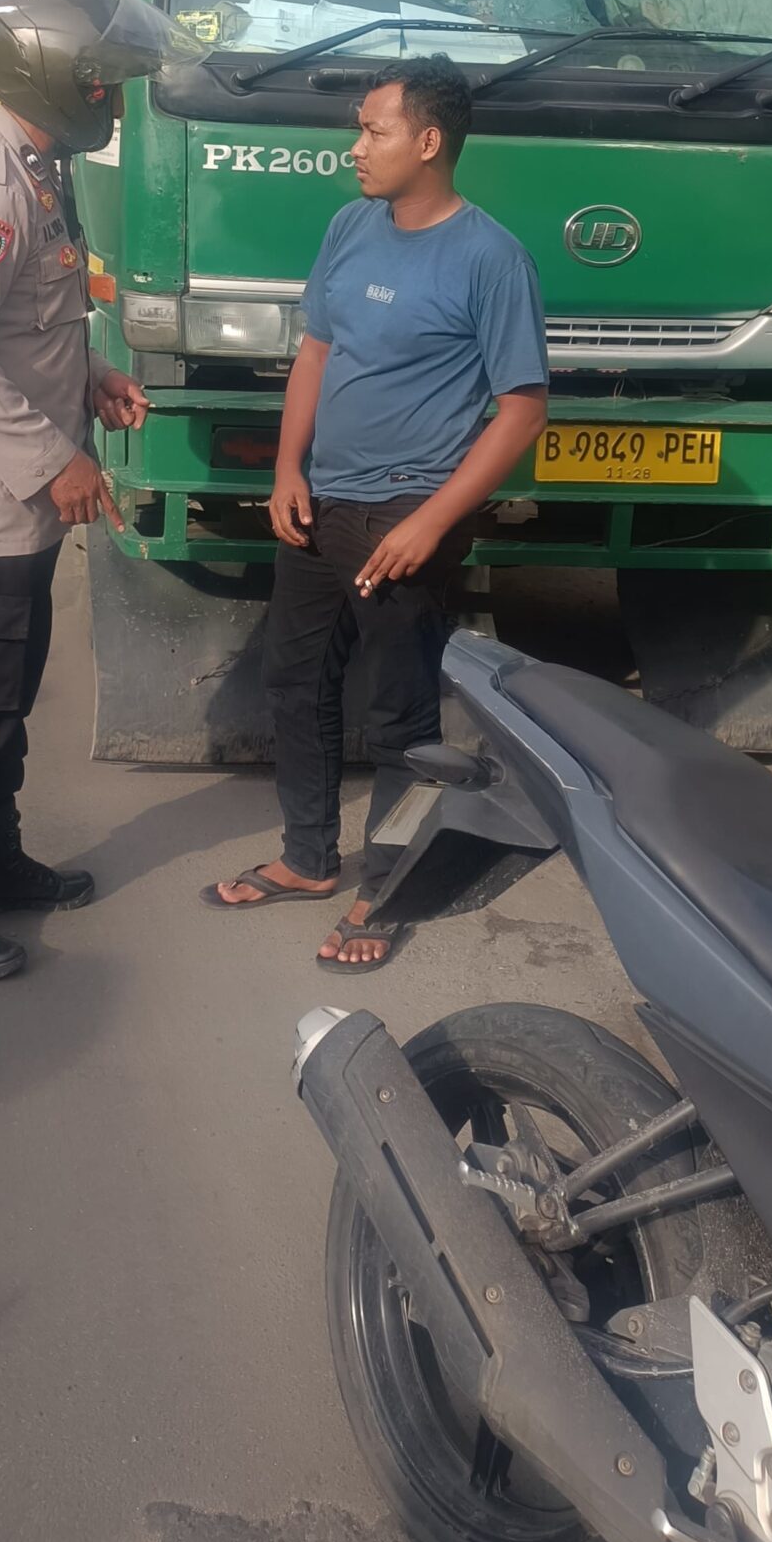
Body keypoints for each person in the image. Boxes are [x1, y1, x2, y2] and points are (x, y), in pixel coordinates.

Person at [205, 57, 549, 971]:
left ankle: (386, 887)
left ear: (428, 142)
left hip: (406, 513)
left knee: (401, 714)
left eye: (374, 131)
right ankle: (309, 858)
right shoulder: (351, 226)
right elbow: (316, 351)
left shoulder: (489, 257)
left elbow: (521, 409)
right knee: (296, 683)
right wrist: (286, 469)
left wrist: (433, 522)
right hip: (319, 507)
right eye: (358, 129)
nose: (354, 149)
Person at [0, 0, 197, 981]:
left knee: (5, 694)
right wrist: (53, 457)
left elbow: (27, 330)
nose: (112, 99)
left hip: (14, 509)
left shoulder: (38, 169)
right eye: (102, 81)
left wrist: (92, 379)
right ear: (56, 80)